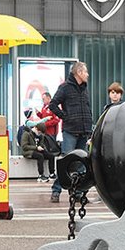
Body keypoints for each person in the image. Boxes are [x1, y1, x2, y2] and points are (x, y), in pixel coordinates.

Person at [47, 62, 92, 203]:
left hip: (84, 131)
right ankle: (56, 190)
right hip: (70, 131)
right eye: (85, 72)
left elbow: (87, 107)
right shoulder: (65, 88)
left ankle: (78, 192)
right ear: (78, 73)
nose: (87, 74)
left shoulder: (84, 89)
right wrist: (65, 117)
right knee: (67, 162)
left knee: (81, 163)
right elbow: (52, 104)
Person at [17, 110, 54, 182]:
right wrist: (36, 148)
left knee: (51, 156)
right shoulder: (26, 133)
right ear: (36, 129)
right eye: (39, 132)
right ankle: (41, 175)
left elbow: (41, 144)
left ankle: (52, 173)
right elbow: (24, 147)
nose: (39, 134)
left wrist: (42, 148)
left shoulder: (41, 136)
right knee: (40, 156)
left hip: (37, 150)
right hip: (28, 152)